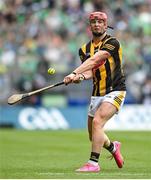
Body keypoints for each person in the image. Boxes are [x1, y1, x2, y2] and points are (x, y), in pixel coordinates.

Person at [63, 11, 126, 172]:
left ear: (106, 25)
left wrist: (74, 72)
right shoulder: (84, 49)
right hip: (97, 93)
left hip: (115, 90)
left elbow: (96, 59)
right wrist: (80, 77)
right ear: (90, 26)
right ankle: (113, 147)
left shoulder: (112, 42)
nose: (97, 24)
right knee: (94, 135)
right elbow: (91, 70)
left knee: (98, 123)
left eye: (100, 22)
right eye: (94, 22)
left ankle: (93, 164)